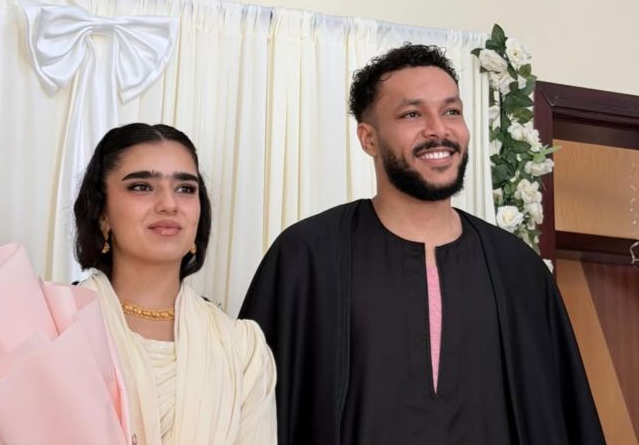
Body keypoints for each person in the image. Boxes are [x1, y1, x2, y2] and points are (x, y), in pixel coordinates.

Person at [239, 45, 604, 444]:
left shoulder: (517, 268)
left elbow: (567, 416)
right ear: (368, 139)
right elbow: (250, 414)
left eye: (452, 111)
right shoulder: (307, 258)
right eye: (412, 114)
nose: (438, 130)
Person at [75, 123, 276, 445]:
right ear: (102, 214)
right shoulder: (57, 326)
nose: (169, 204)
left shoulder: (241, 350)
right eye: (142, 186)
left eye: (185, 189)